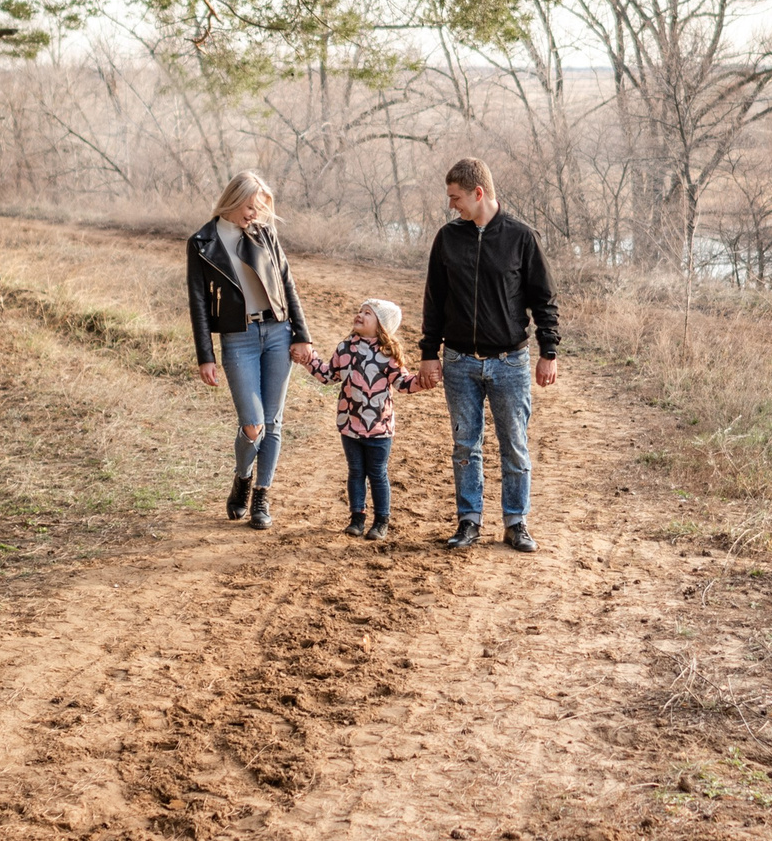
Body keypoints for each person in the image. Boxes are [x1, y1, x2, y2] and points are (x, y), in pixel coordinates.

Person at [412, 157, 559, 551]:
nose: (451, 205)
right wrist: (429, 352)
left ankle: (516, 522)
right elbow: (434, 301)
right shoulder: (447, 238)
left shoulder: (521, 238)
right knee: (465, 446)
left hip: (510, 362)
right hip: (459, 362)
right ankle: (469, 521)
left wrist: (549, 351)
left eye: (455, 197)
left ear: (479, 194)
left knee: (514, 443)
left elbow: (544, 300)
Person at [186, 171, 313, 530]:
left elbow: (287, 283)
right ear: (233, 199)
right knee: (253, 424)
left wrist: (302, 334)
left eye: (259, 208)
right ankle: (242, 476)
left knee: (272, 421)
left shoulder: (265, 234)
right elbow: (197, 302)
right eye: (249, 206)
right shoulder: (201, 242)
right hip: (237, 338)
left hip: (277, 331)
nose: (254, 214)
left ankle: (261, 495)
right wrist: (205, 356)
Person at [304, 298, 418, 540]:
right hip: (350, 424)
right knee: (355, 471)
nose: (360, 315)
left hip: (379, 428)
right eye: (360, 310)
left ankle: (381, 521)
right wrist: (308, 358)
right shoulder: (345, 349)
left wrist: (424, 380)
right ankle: (357, 518)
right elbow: (328, 376)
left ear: (382, 326)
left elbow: (403, 383)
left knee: (377, 473)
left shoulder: (389, 355)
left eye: (368, 313)